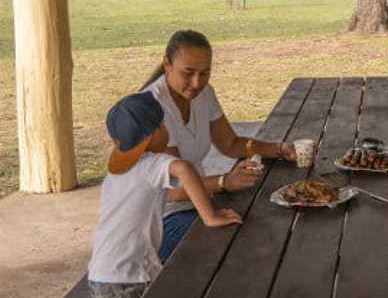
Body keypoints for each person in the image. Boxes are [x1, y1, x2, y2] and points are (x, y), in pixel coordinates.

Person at [140, 30, 297, 262]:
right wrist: (225, 182)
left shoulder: (203, 94)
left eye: (205, 73)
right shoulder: (150, 108)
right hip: (159, 219)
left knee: (271, 219)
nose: (197, 83)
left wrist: (279, 149)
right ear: (167, 63)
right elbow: (172, 191)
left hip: (198, 204)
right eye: (188, 73)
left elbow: (231, 144)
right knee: (241, 242)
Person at [88, 92, 242, 298]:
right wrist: (211, 217)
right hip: (128, 276)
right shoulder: (152, 163)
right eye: (162, 124)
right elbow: (183, 168)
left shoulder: (117, 174)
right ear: (151, 134)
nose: (166, 129)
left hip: (102, 272)